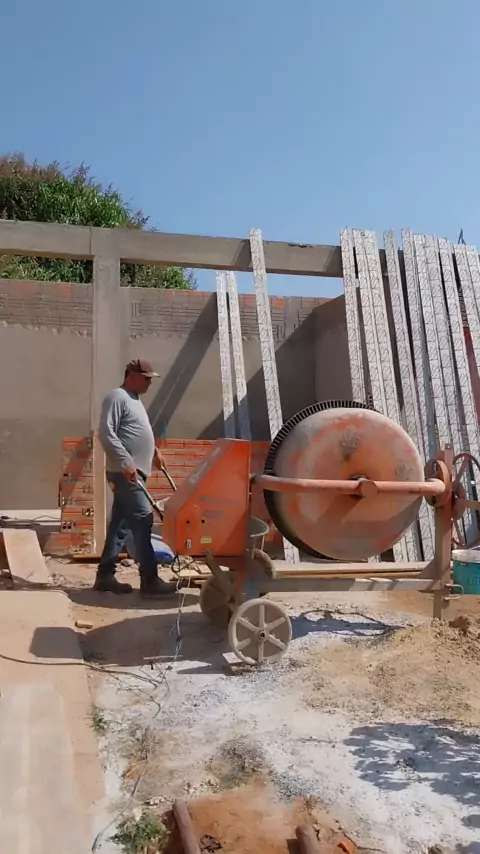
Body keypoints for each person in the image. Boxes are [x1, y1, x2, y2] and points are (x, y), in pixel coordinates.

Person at [93, 358, 177, 598]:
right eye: (146, 378)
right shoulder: (116, 397)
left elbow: (136, 431)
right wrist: (125, 462)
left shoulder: (135, 400)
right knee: (143, 519)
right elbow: (106, 433)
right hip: (126, 473)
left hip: (133, 472)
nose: (150, 383)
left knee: (120, 525)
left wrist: (155, 452)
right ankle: (150, 580)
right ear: (130, 375)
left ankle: (105, 576)